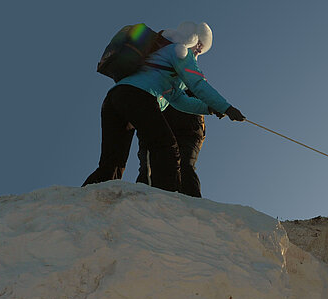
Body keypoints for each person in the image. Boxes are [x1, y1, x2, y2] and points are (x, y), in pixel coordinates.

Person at [83, 21, 244, 191]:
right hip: (138, 96)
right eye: (199, 46)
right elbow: (198, 83)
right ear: (194, 39)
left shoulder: (164, 58)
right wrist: (226, 107)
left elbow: (178, 100)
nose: (198, 52)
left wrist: (208, 108)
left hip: (115, 98)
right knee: (167, 148)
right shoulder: (180, 51)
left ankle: (83, 202)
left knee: (112, 163)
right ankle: (166, 201)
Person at [136, 96, 207, 197]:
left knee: (184, 166)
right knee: (150, 166)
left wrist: (220, 107)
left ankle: (193, 205)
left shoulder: (190, 83)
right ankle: (142, 201)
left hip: (188, 127)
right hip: (161, 123)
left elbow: (201, 89)